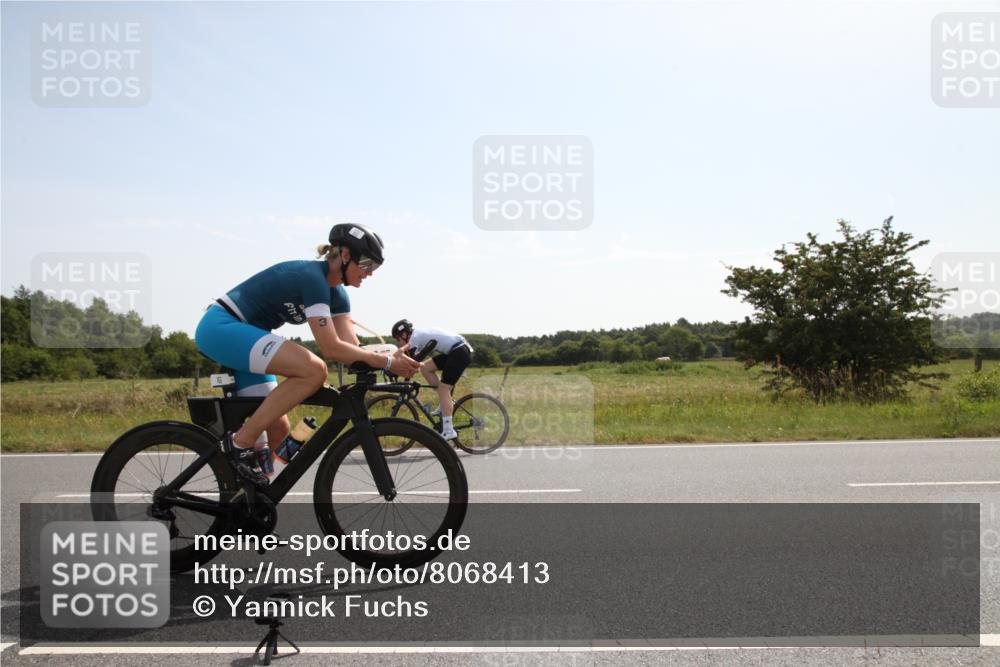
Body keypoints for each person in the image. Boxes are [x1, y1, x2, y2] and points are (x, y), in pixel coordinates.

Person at [195, 224, 420, 486]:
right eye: (367, 264)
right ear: (345, 255)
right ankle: (238, 443)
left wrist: (391, 354)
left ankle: (250, 500)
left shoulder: (338, 296)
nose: (369, 273)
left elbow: (351, 350)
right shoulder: (313, 278)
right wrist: (388, 362)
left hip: (247, 335)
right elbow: (331, 349)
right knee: (313, 370)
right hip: (221, 326)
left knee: (278, 430)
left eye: (375, 268)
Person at [390, 319, 473, 441]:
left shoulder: (415, 338)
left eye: (398, 339)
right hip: (455, 351)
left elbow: (413, 362)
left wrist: (404, 377)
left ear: (404, 334)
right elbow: (415, 363)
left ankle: (449, 430)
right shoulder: (416, 336)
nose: (399, 343)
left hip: (459, 352)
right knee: (426, 368)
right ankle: (445, 402)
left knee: (444, 389)